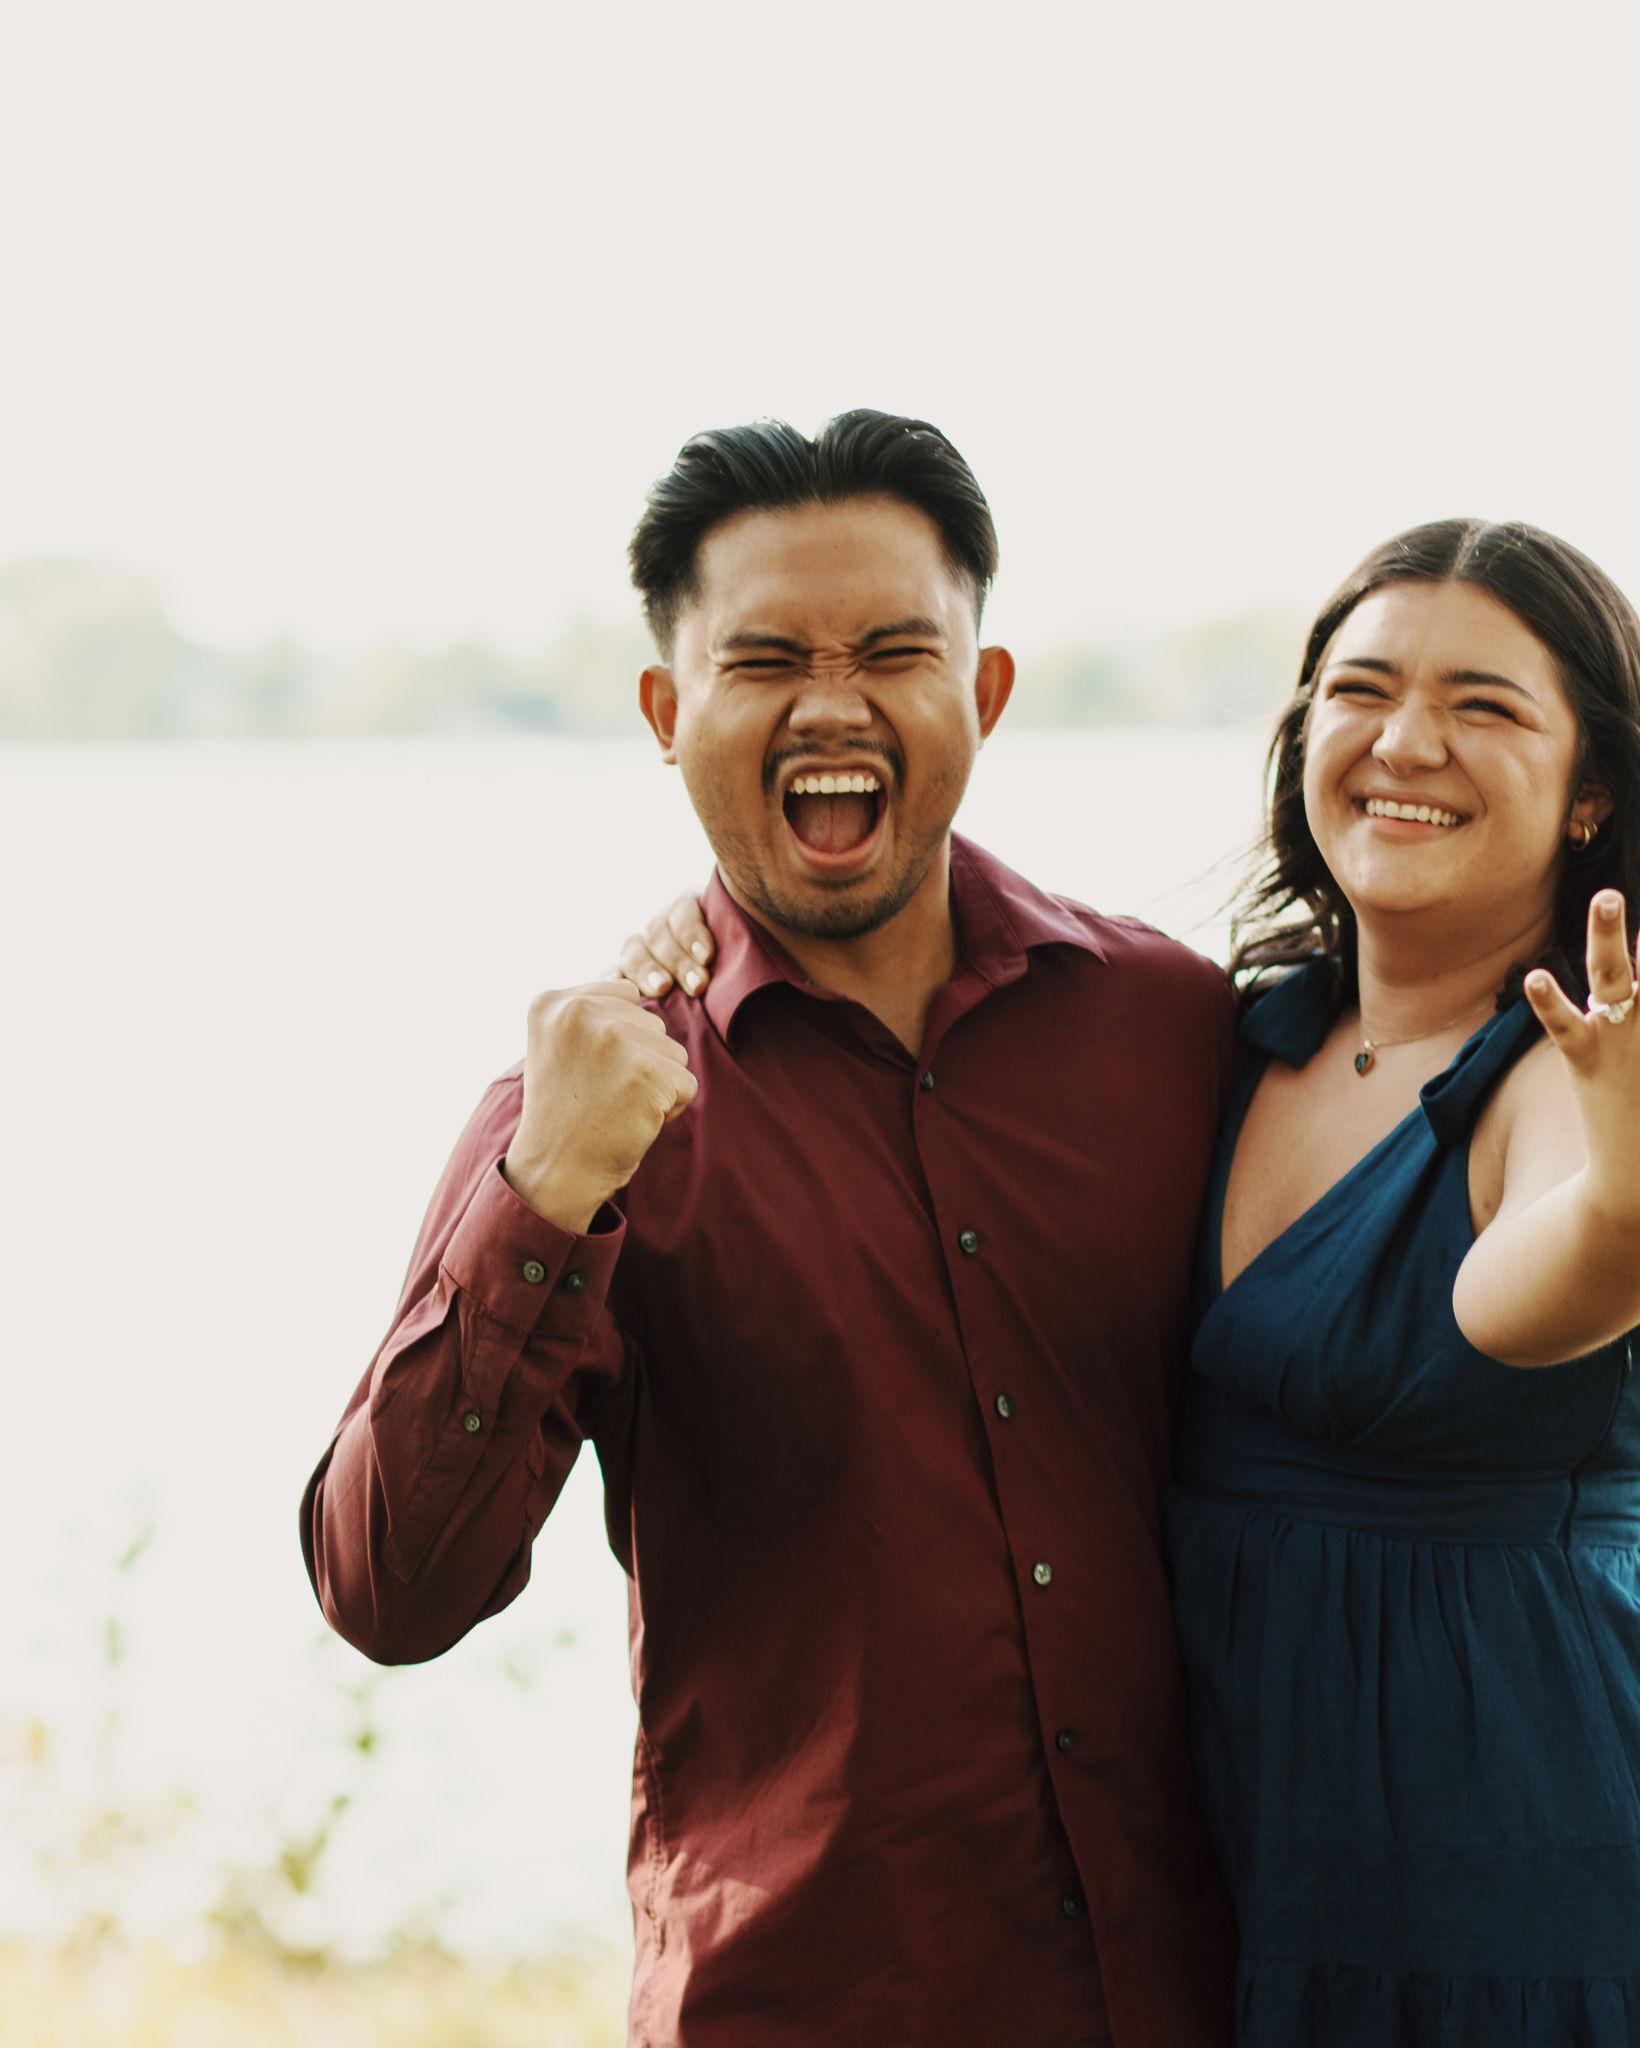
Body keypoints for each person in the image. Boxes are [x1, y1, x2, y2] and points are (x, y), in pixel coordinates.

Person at [618, 518, 1640, 2043]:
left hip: (1567, 1913)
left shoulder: (1578, 1080)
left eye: (1483, 705)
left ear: (1590, 787)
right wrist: (696, 927)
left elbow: (1535, 1292)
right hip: (1287, 1908)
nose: (1407, 741)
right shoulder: (1225, 1041)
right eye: (1363, 690)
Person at [301, 410, 1241, 2047]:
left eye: (893, 652)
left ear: (984, 691)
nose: (831, 704)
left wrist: (1575, 1501)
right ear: (668, 715)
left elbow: (1347, 1355)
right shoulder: (582, 1115)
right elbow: (390, 1589)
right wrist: (547, 1195)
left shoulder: (1174, 1031)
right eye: (765, 660)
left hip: (1199, 1992)